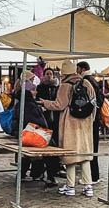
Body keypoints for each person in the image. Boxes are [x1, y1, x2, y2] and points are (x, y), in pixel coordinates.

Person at [41, 60, 97, 197]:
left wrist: (45, 103)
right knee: (84, 155)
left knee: (70, 154)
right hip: (85, 124)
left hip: (70, 124)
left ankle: (70, 186)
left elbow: (59, 105)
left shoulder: (65, 85)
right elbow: (94, 103)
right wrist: (90, 120)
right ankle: (88, 185)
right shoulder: (87, 83)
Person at [76, 61, 104, 184]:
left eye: (77, 69)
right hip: (95, 117)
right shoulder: (93, 80)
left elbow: (96, 100)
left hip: (91, 119)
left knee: (90, 147)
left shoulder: (87, 81)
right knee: (93, 146)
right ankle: (94, 175)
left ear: (82, 69)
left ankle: (92, 176)